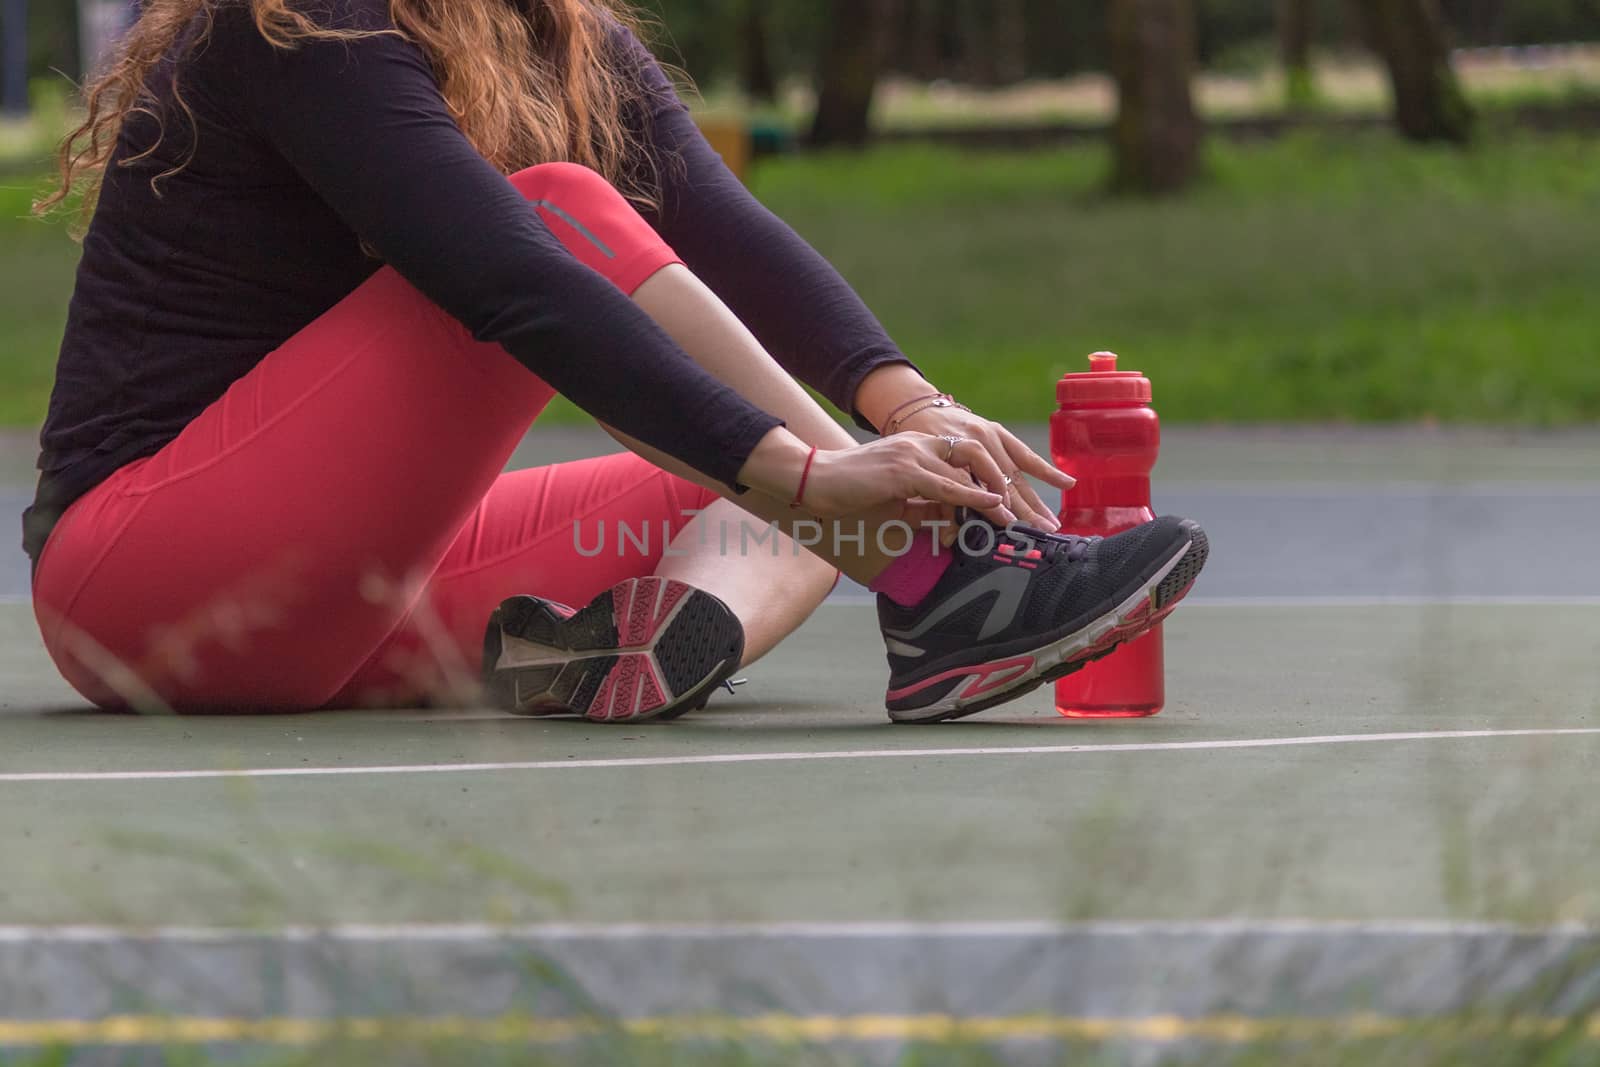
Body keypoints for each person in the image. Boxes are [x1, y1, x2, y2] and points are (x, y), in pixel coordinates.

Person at [22, 0, 1208, 724]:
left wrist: (908, 407)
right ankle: (934, 571)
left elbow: (730, 234)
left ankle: (637, 642)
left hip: (337, 612)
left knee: (740, 467)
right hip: (141, 578)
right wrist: (813, 474)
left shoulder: (552, 31)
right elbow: (511, 281)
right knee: (566, 217)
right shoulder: (295, 20)